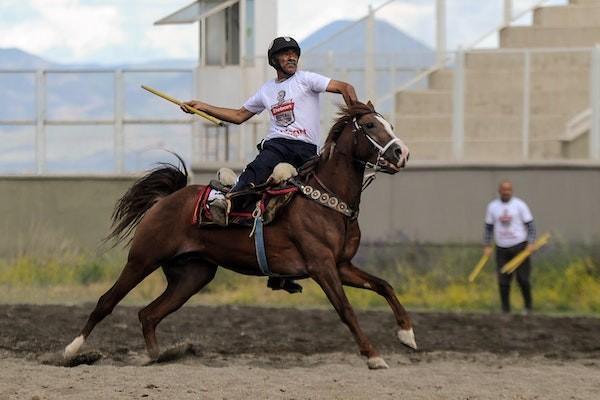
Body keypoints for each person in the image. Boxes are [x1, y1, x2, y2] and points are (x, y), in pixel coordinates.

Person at [182, 36, 358, 294]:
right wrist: (202, 106)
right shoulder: (266, 91)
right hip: (277, 145)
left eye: (294, 53)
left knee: (303, 207)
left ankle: (284, 269)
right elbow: (239, 116)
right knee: (258, 173)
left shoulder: (307, 79)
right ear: (274, 60)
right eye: (285, 54)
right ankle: (228, 202)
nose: (292, 57)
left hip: (307, 153)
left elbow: (345, 87)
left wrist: (357, 113)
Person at [483, 180, 537, 314]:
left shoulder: (520, 205)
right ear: (499, 191)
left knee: (523, 279)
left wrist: (531, 243)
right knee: (503, 280)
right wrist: (487, 245)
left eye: (508, 190)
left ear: (512, 191)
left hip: (520, 247)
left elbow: (530, 225)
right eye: (504, 190)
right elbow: (488, 227)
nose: (506, 192)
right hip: (502, 248)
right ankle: (505, 309)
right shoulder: (492, 207)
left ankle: (528, 307)